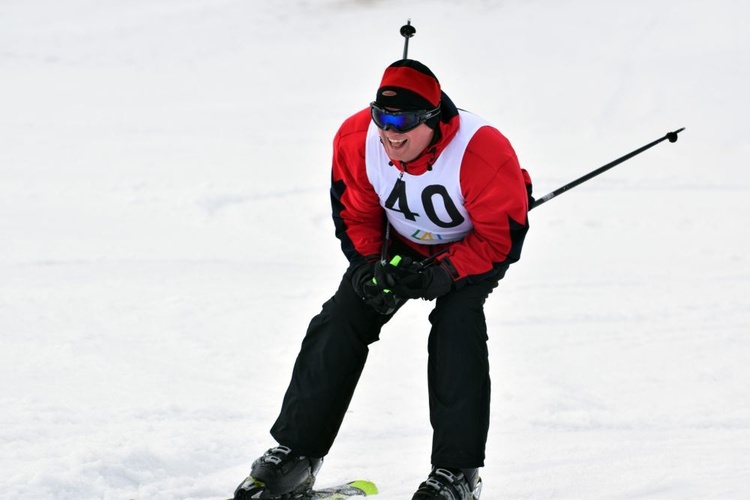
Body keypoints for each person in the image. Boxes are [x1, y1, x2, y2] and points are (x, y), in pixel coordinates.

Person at [233, 59, 531, 500]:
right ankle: (297, 453)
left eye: (405, 122)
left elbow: (499, 239)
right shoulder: (358, 138)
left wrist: (443, 275)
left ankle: (457, 473)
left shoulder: (482, 151)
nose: (391, 132)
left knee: (456, 327)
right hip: (396, 246)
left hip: (468, 250)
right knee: (342, 317)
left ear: (433, 120)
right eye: (383, 118)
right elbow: (354, 211)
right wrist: (369, 264)